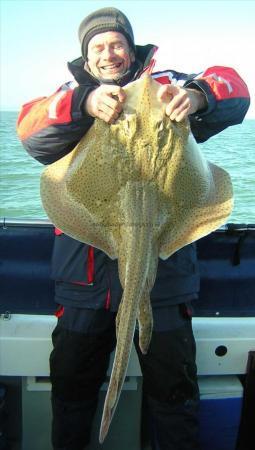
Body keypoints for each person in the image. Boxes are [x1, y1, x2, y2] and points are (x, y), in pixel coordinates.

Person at [17, 7, 250, 450]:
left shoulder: (169, 87)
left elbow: (234, 88)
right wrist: (84, 104)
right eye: (98, 47)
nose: (109, 54)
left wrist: (198, 97)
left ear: (131, 47)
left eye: (116, 44)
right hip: (84, 280)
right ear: (86, 56)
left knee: (175, 396)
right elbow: (30, 131)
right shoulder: (70, 96)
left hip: (166, 275)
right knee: (72, 391)